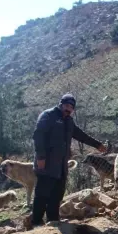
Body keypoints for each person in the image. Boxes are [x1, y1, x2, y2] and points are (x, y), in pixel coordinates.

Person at [32, 94, 107, 226]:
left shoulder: (69, 121)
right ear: (61, 104)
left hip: (61, 166)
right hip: (46, 163)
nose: (68, 109)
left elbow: (81, 135)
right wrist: (41, 157)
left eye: (71, 107)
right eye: (67, 105)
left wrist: (97, 144)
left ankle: (53, 220)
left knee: (57, 194)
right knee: (42, 193)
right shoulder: (48, 116)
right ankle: (36, 222)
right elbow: (38, 135)